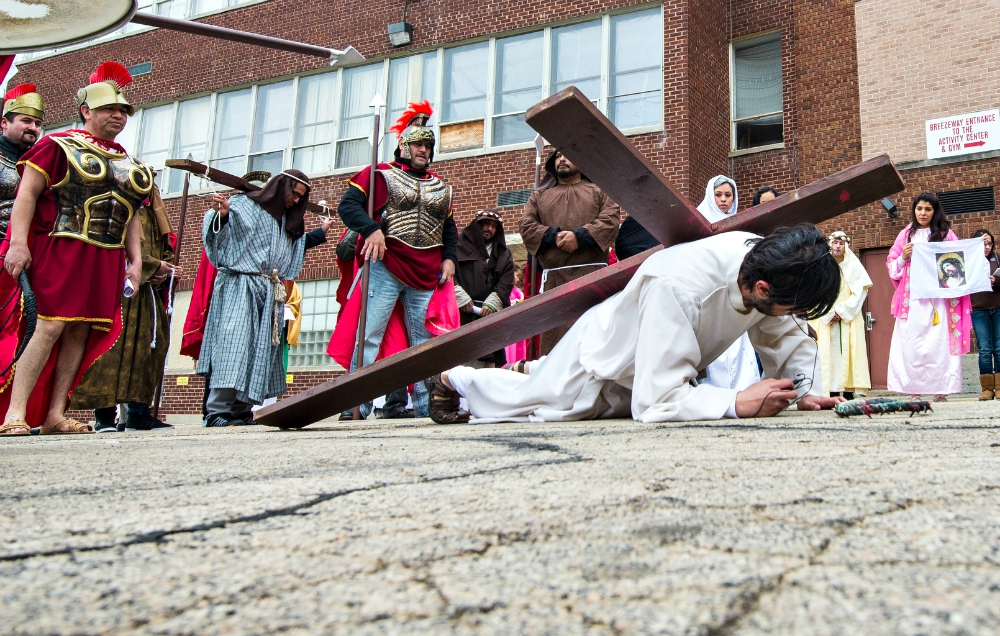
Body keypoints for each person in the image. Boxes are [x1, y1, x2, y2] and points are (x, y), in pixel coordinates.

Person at [427, 225, 844, 424]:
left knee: (564, 396)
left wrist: (805, 391)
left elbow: (783, 335)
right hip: (603, 355)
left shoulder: (762, 259)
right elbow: (657, 401)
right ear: (763, 287)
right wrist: (735, 403)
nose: (790, 318)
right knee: (538, 405)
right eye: (789, 306)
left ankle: (534, 368)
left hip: (639, 367)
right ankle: (458, 379)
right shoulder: (678, 287)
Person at [0, 62, 149, 436]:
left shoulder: (127, 161)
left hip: (106, 253)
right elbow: (27, 195)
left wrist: (135, 260)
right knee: (49, 327)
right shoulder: (56, 145)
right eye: (109, 109)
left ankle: (54, 413)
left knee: (81, 331)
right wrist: (17, 243)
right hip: (63, 246)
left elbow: (130, 213)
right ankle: (14, 413)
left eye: (123, 111)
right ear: (86, 111)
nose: (118, 115)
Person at [335, 100, 458, 419]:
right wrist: (372, 229)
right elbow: (348, 207)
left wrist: (450, 259)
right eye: (417, 143)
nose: (423, 150)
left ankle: (423, 405)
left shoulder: (441, 187)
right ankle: (356, 405)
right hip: (386, 265)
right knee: (370, 336)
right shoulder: (379, 174)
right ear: (403, 144)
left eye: (428, 145)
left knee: (423, 345)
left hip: (427, 274)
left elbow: (448, 228)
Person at [197, 170, 310, 427]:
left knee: (260, 351)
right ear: (280, 187)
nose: (294, 200)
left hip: (268, 288)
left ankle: (241, 410)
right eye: (293, 193)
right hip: (240, 283)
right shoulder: (244, 204)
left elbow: (294, 248)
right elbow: (218, 234)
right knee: (234, 345)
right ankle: (217, 411)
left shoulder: (286, 220)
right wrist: (223, 216)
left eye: (300, 197)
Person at [70, 184, 180, 431]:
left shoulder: (154, 215)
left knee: (147, 352)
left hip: (146, 298)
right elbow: (113, 246)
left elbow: (165, 250)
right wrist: (152, 267)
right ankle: (105, 416)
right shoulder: (119, 211)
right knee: (110, 351)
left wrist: (161, 272)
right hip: (118, 293)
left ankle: (138, 414)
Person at [519, 149, 621, 355]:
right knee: (556, 348)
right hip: (554, 283)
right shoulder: (539, 197)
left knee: (593, 344)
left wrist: (580, 237)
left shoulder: (599, 191)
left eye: (567, 155)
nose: (562, 159)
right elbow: (527, 225)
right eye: (557, 156)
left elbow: (611, 219)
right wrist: (552, 236)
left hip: (592, 280)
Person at [886, 193, 971, 401]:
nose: (923, 213)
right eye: (919, 209)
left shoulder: (945, 234)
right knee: (912, 343)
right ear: (914, 210)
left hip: (939, 299)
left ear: (935, 212)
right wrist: (903, 257)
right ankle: (914, 390)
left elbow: (959, 260)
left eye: (928, 209)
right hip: (913, 298)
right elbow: (891, 264)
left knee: (939, 343)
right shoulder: (906, 234)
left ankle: (940, 390)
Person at [696, 175, 761, 391]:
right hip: (710, 290)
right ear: (709, 195)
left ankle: (742, 388)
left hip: (733, 290)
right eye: (718, 195)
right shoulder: (699, 222)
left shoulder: (739, 225)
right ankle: (713, 389)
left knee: (736, 340)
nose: (724, 200)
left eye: (728, 195)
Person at [808, 231, 871, 400]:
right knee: (828, 354)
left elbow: (860, 291)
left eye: (841, 243)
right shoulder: (821, 267)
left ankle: (848, 390)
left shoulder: (853, 266)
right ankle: (830, 391)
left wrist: (842, 311)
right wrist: (828, 312)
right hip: (825, 317)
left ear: (846, 246)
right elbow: (814, 292)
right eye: (835, 242)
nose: (838, 246)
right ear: (830, 244)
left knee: (849, 352)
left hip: (847, 318)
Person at [454, 209, 515, 367]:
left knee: (487, 365)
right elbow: (446, 271)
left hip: (488, 316)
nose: (489, 228)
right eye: (486, 223)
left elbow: (506, 280)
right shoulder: (458, 245)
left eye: (494, 226)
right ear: (477, 224)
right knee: (459, 362)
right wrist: (459, 296)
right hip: (460, 314)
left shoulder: (503, 253)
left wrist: (493, 302)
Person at [1, 84, 44, 237]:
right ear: (4, 123)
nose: (33, 128)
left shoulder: (41, 162)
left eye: (38, 124)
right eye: (26, 121)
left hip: (26, 248)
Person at [970, 229, 1000, 400]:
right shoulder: (968, 262)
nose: (986, 247)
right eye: (982, 243)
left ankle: (999, 386)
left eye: (989, 243)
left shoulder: (997, 259)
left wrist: (996, 280)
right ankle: (987, 389)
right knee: (985, 349)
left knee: (999, 348)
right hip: (979, 310)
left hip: (998, 308)